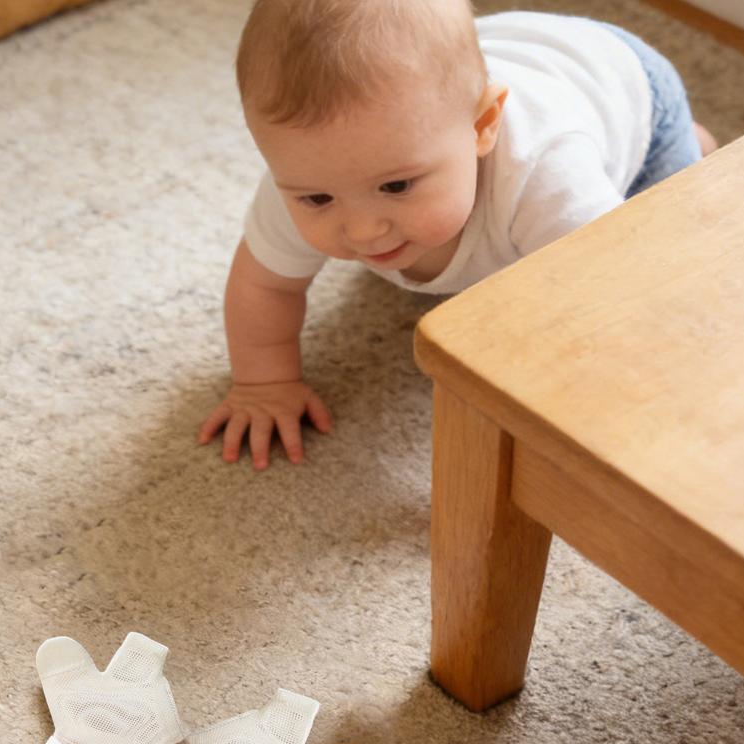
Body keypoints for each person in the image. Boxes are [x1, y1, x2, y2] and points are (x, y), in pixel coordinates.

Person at [199, 0, 717, 469]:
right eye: (317, 200)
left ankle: (691, 146)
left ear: (483, 127)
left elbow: (611, 303)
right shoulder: (316, 168)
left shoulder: (545, 173)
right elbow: (264, 285)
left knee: (666, 230)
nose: (362, 230)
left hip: (626, 87)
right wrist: (263, 383)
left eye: (396, 185)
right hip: (477, 69)